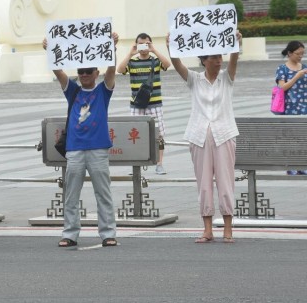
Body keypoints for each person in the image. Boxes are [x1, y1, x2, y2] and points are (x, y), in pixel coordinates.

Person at [43, 34, 119, 248]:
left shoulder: (103, 91)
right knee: (71, 194)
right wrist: (49, 50)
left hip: (98, 149)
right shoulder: (73, 91)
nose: (84, 75)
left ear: (97, 73)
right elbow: (58, 72)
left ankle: (108, 233)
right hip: (75, 148)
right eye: (81, 71)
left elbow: (112, 71)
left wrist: (112, 47)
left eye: (88, 71)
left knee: (103, 192)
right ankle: (70, 233)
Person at [167, 31, 242, 244]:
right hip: (199, 135)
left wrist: (237, 42)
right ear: (204, 61)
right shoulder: (195, 79)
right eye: (214, 58)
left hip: (224, 134)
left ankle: (228, 228)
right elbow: (177, 63)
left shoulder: (227, 78)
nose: (219, 61)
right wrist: (171, 45)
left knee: (226, 182)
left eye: (220, 57)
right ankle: (207, 229)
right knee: (204, 184)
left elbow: (235, 59)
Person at [116, 33, 171, 174]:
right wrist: (130, 53)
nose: (144, 47)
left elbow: (167, 64)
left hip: (155, 104)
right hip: (137, 104)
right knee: (135, 135)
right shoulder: (132, 62)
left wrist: (154, 50)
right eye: (141, 44)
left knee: (159, 135)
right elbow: (120, 70)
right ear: (136, 44)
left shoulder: (155, 61)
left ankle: (159, 163)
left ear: (150, 44)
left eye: (146, 43)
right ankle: (136, 164)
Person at [275, 41, 307, 175]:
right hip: (290, 108)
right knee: (291, 138)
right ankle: (291, 166)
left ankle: (302, 165)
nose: (300, 56)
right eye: (298, 54)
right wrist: (296, 76)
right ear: (289, 53)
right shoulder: (282, 69)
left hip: (304, 107)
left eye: (302, 54)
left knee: (303, 137)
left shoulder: (304, 67)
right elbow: (282, 87)